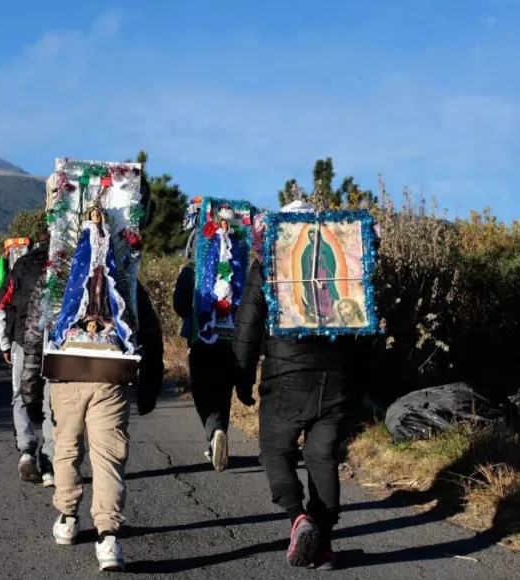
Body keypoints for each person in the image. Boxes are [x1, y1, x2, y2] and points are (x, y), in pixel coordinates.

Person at [232, 202, 371, 570]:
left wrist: (243, 379)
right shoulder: (348, 256)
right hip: (338, 380)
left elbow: (247, 328)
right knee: (322, 457)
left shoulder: (270, 265)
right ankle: (324, 545)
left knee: (275, 451)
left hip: (286, 379)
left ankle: (297, 517)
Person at [22, 276, 164, 572]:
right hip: (110, 376)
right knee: (108, 456)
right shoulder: (123, 274)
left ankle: (68, 517)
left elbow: (36, 335)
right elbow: (149, 332)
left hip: (66, 374)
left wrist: (31, 390)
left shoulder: (57, 273)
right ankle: (108, 537)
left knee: (66, 447)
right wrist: (149, 387)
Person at [173, 204, 251, 472]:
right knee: (223, 389)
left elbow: (181, 306)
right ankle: (218, 433)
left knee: (203, 389)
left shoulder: (192, 271)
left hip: (202, 338)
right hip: (232, 340)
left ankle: (214, 432)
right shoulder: (240, 267)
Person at [0, 231, 54, 485]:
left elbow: (1, 306)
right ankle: (50, 461)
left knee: (21, 393)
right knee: (53, 400)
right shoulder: (68, 262)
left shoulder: (21, 264)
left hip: (23, 340)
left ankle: (26, 451)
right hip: (57, 343)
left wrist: (5, 344)